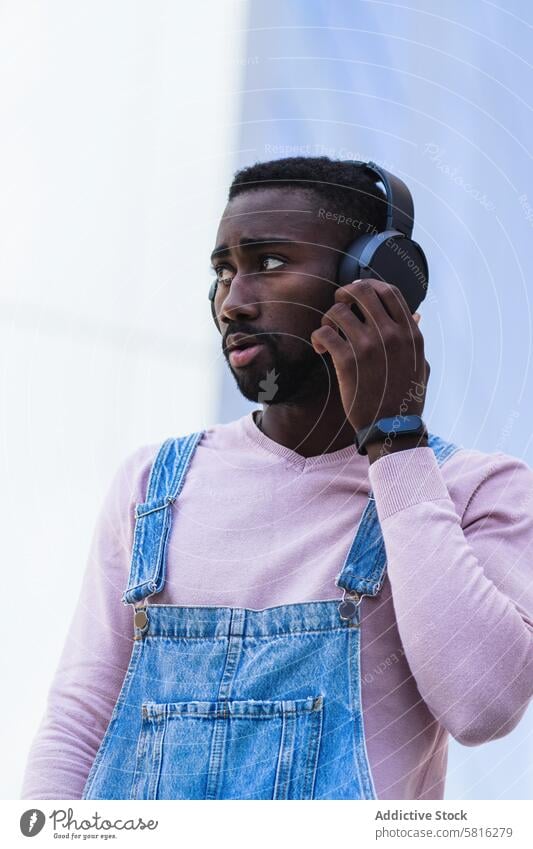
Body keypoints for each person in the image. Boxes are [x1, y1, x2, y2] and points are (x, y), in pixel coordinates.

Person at [21, 157, 533, 800]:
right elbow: (76, 728)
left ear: (373, 280)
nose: (233, 302)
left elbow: (483, 706)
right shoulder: (152, 488)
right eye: (223, 271)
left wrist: (396, 443)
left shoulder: (475, 491)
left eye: (267, 263)